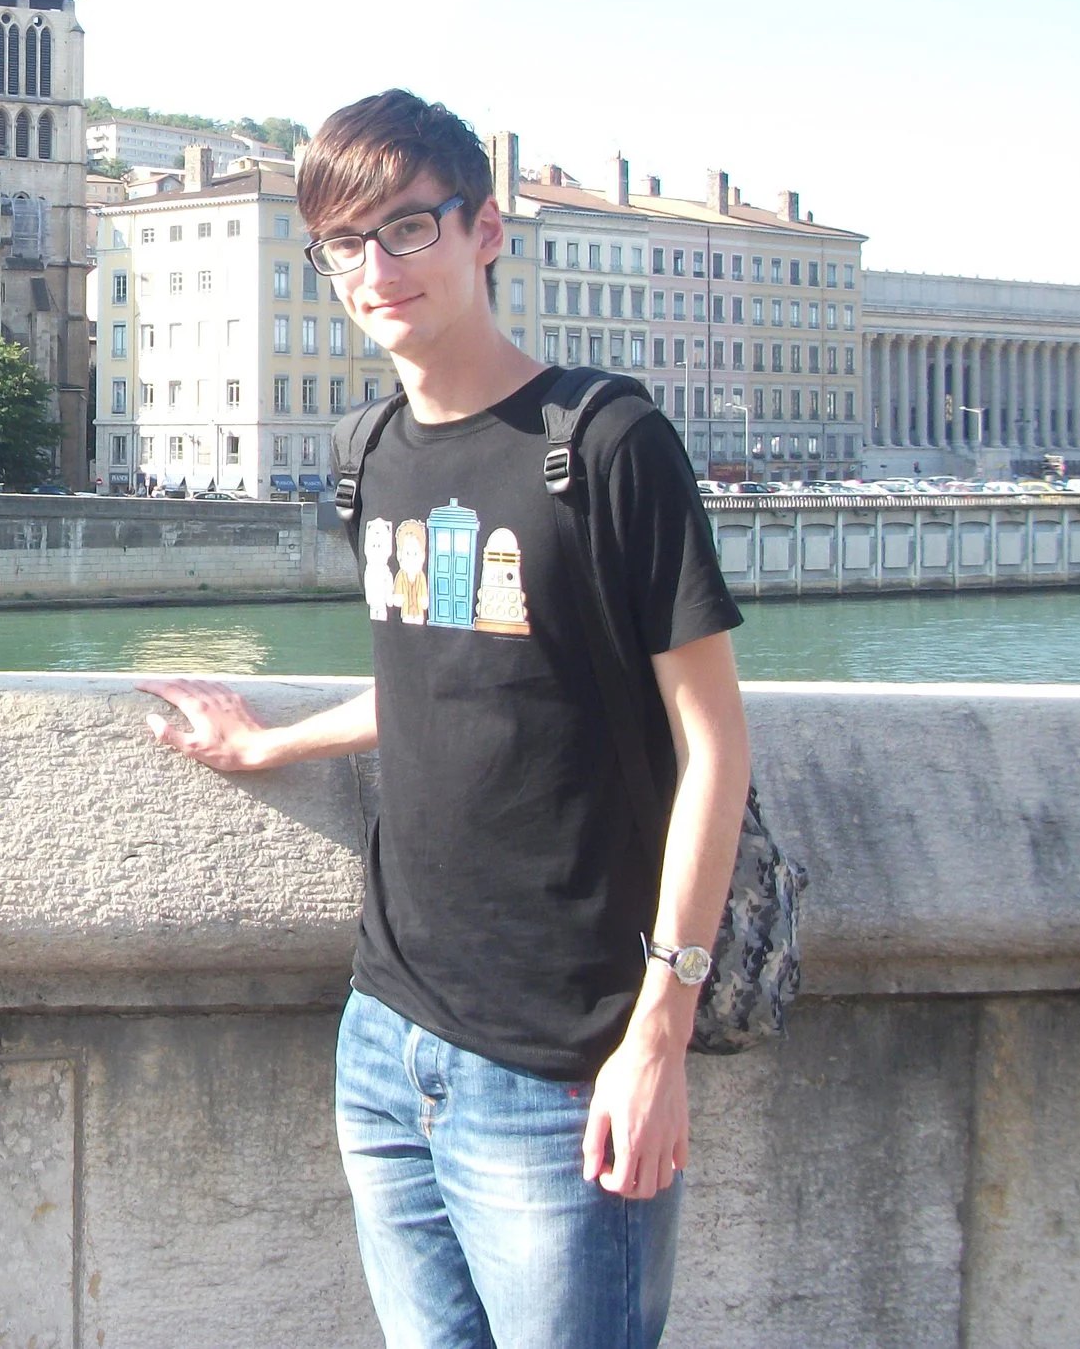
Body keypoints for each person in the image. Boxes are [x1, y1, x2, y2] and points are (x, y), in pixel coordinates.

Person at [142, 90, 749, 1349]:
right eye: (344, 245)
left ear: (485, 233)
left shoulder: (603, 438)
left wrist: (659, 1034)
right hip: (385, 1035)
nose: (375, 271)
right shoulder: (371, 454)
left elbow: (712, 747)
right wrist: (266, 743)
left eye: (409, 229)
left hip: (565, 1054)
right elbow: (446, 681)